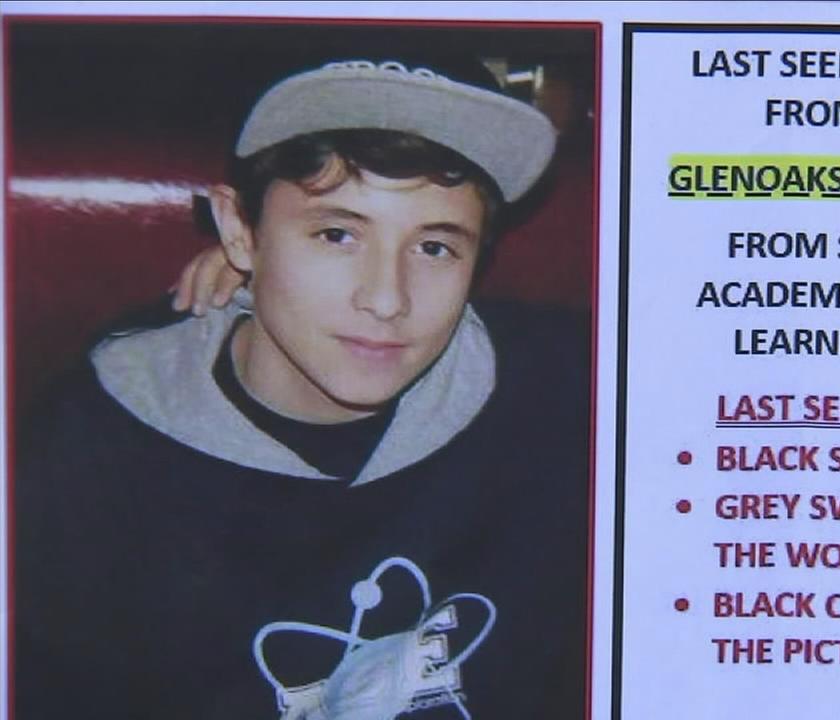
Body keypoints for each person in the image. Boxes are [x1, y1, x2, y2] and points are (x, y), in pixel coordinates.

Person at [15, 58, 589, 719]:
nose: (385, 298)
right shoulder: (91, 458)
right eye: (336, 234)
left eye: (434, 247)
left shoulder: (565, 387)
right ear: (238, 230)